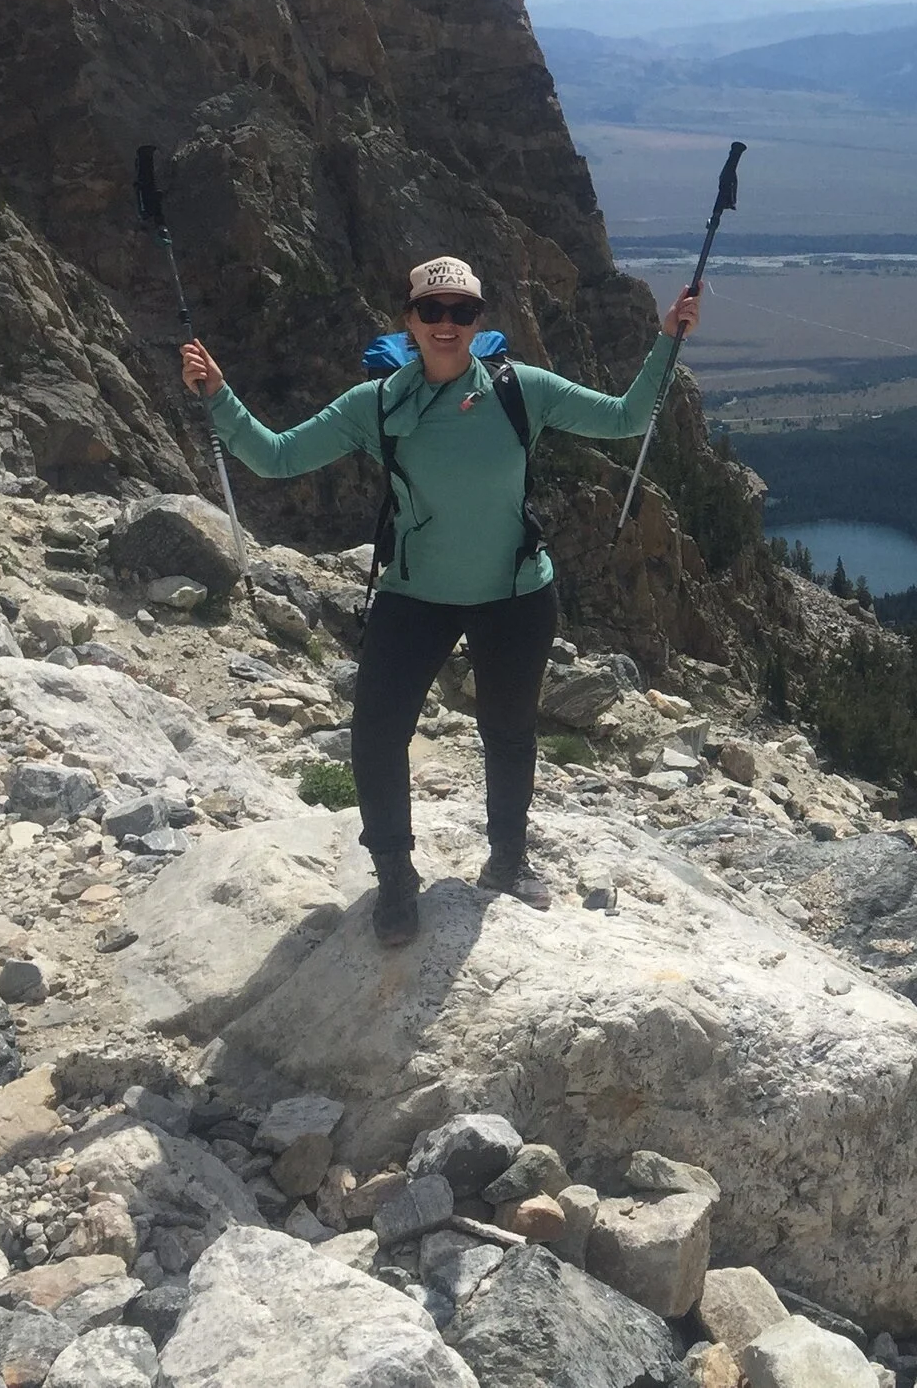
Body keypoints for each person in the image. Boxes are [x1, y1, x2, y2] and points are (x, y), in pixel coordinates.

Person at [179, 255, 698, 946]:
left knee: (508, 734)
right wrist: (218, 394)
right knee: (375, 735)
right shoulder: (375, 403)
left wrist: (668, 338)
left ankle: (507, 861)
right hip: (415, 594)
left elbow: (628, 417)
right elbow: (277, 456)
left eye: (462, 311)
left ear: (479, 321)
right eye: (432, 310)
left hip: (514, 593)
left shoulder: (521, 390)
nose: (446, 323)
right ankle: (396, 877)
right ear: (410, 319)